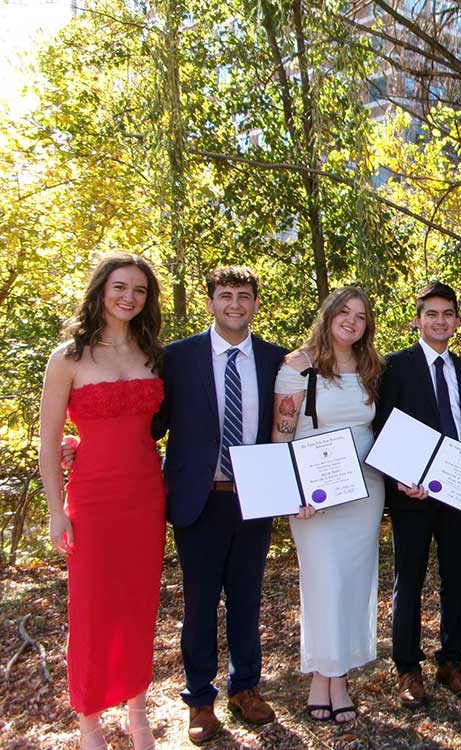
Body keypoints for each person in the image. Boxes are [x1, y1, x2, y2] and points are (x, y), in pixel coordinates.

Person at [154, 267, 287, 744]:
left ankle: (245, 687)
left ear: (254, 304)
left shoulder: (276, 359)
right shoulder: (177, 358)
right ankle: (199, 699)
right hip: (198, 500)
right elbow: (149, 425)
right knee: (200, 603)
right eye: (226, 295)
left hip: (254, 498)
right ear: (210, 302)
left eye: (245, 296)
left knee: (248, 598)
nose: (235, 304)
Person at [39, 253, 166, 750]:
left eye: (138, 289)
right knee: (91, 608)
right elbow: (49, 441)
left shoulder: (152, 352)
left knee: (139, 602)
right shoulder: (67, 357)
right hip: (90, 498)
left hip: (144, 494)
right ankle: (89, 719)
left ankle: (137, 710)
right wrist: (55, 510)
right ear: (101, 289)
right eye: (120, 286)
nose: (128, 297)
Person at [271, 287, 384, 724]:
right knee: (324, 580)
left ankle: (340, 677)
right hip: (314, 492)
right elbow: (282, 434)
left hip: (364, 490)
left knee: (354, 582)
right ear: (329, 315)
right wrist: (293, 491)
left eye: (361, 315)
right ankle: (322, 676)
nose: (352, 321)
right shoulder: (298, 367)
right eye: (344, 312)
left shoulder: (372, 367)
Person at [374, 282, 461, 708]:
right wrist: (400, 477)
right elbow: (381, 427)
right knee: (409, 579)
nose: (440, 321)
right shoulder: (393, 367)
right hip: (410, 493)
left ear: (456, 320)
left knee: (457, 577)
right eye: (431, 314)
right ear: (416, 319)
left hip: (456, 492)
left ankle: (451, 661)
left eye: (447, 313)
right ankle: (407, 668)